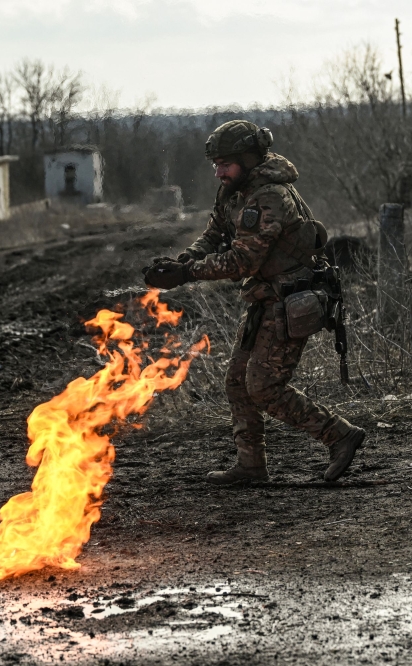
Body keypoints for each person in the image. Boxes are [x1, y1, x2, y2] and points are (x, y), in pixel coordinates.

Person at [142, 120, 366, 484]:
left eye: (225, 164)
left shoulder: (270, 198)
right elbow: (215, 234)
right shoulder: (235, 191)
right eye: (216, 165)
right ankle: (250, 466)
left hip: (290, 300)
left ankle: (339, 435)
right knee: (236, 381)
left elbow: (242, 261)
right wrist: (182, 261)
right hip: (266, 298)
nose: (218, 172)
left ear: (247, 160)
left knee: (264, 387)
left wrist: (187, 274)